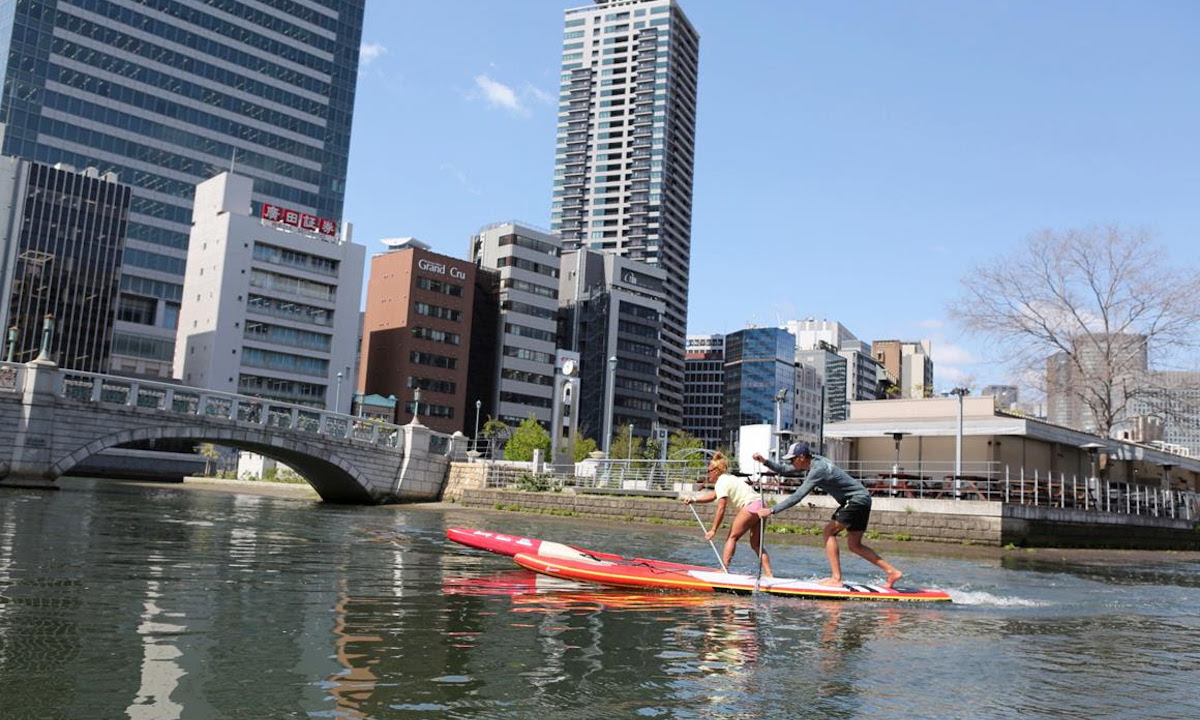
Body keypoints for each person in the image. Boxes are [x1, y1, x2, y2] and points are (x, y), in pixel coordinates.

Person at [753, 442, 903, 588]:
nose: (791, 463)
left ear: (802, 457)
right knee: (854, 545)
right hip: (863, 499)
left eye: (792, 459)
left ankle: (836, 579)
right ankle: (892, 572)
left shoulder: (818, 469)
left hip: (855, 500)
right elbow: (783, 470)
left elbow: (798, 496)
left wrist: (772, 510)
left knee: (828, 532)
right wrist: (765, 461)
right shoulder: (815, 461)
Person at [682, 451, 773, 577]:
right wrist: (694, 500)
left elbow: (721, 507)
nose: (708, 474)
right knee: (756, 544)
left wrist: (713, 529)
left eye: (709, 471)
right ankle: (769, 575)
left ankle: (724, 569)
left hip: (751, 506)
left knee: (732, 537)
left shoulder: (721, 482)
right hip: (762, 506)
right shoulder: (729, 478)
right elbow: (714, 496)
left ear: (716, 471)